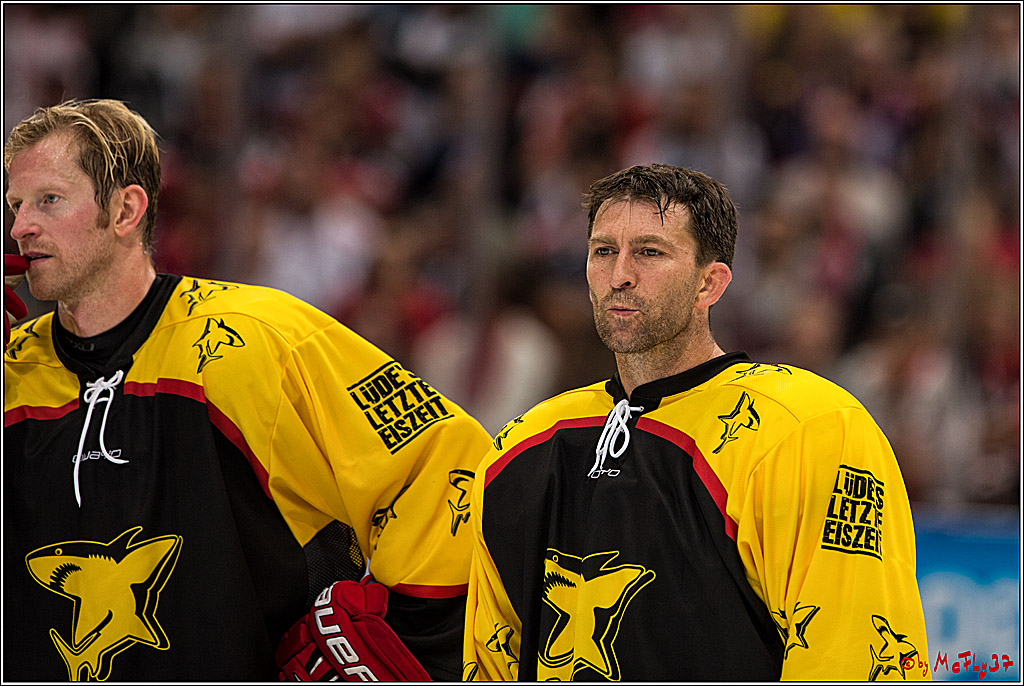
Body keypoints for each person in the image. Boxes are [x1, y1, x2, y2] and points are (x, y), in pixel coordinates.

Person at [2, 99, 492, 681]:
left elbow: (445, 465)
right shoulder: (10, 372)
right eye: (15, 205)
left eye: (49, 200)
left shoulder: (260, 341)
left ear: (126, 210)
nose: (19, 227)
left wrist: (410, 640)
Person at [462, 163, 931, 681]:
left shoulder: (809, 429)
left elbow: (852, 656)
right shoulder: (520, 448)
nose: (619, 275)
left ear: (711, 283)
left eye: (649, 252)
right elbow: (490, 661)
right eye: (603, 251)